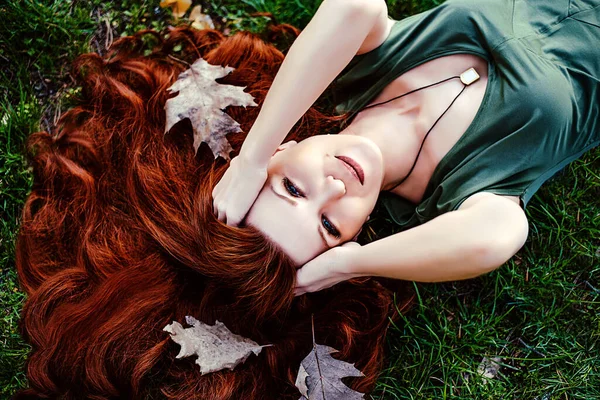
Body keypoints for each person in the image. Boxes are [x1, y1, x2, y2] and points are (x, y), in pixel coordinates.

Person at [212, 0, 600, 295]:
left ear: (284, 150)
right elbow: (497, 237)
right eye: (330, 227)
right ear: (356, 232)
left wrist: (252, 159)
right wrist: (350, 263)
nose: (336, 188)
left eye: (293, 188)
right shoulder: (463, 195)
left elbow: (356, 6)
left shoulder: (363, 69)